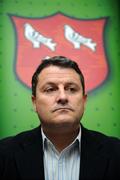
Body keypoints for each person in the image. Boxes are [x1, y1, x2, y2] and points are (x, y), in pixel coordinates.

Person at [0, 56, 120, 180]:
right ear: (34, 102)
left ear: (84, 101)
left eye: (71, 89)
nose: (62, 97)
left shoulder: (116, 152)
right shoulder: (4, 153)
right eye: (50, 89)